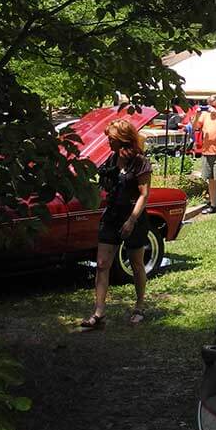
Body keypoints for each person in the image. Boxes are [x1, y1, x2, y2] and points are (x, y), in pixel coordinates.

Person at [79, 119, 153, 328]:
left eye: (111, 139)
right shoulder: (112, 160)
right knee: (102, 264)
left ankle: (139, 307)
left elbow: (144, 195)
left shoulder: (140, 162)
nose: (108, 143)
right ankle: (99, 313)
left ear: (122, 140)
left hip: (134, 218)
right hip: (112, 216)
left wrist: (131, 220)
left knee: (136, 264)